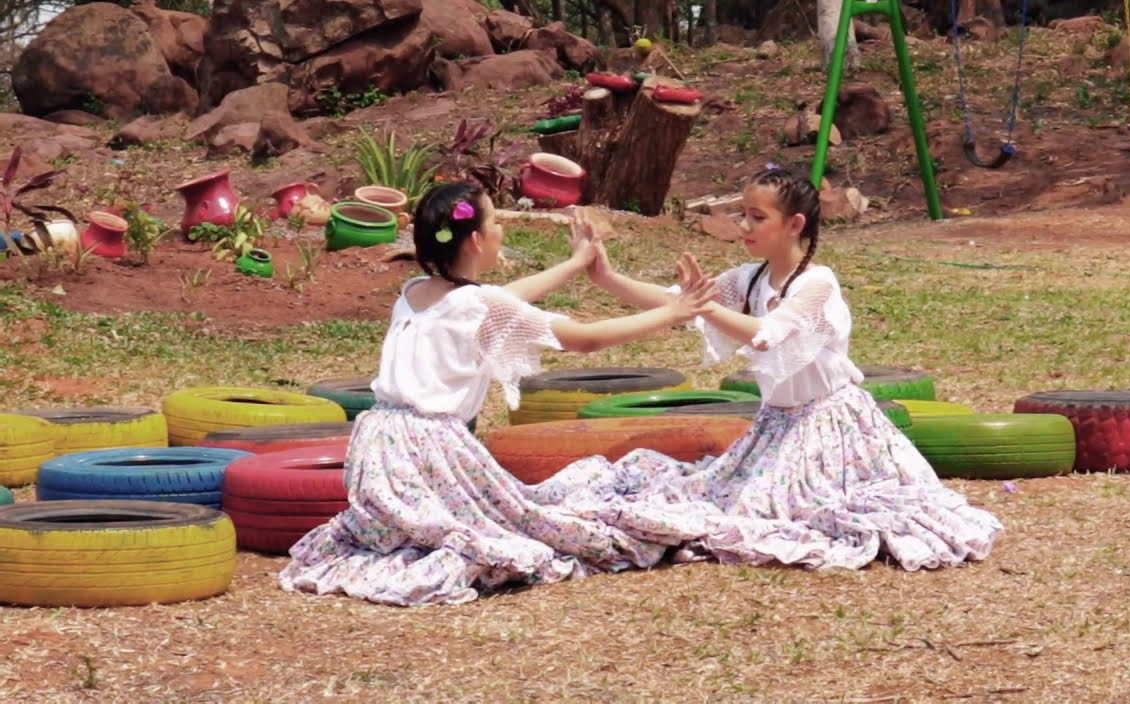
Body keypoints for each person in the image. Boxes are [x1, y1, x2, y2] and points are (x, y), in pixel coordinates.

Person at [277, 182, 720, 606]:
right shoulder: (479, 306)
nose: (502, 229)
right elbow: (585, 338)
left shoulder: (413, 293)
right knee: (519, 525)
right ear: (475, 241)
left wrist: (574, 265)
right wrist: (673, 311)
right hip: (429, 447)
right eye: (495, 222)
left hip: (375, 443)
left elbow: (495, 299)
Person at [580, 166, 1004, 571]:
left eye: (757, 217)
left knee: (780, 511)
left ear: (794, 224)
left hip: (831, 426)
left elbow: (768, 334)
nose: (744, 226)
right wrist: (607, 277)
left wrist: (705, 307)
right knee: (727, 500)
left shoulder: (817, 285)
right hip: (776, 424)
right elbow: (675, 302)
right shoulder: (750, 278)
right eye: (742, 214)